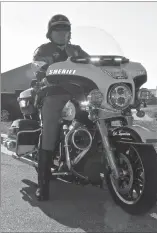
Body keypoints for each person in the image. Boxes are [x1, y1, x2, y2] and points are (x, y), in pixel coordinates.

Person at [32, 14, 89, 201]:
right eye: (57, 29)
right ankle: (43, 183)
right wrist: (44, 72)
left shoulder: (77, 50)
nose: (61, 33)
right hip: (53, 93)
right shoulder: (44, 50)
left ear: (69, 32)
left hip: (78, 94)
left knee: (97, 118)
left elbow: (92, 65)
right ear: (50, 33)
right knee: (49, 131)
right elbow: (39, 68)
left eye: (65, 29)